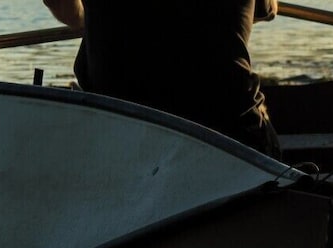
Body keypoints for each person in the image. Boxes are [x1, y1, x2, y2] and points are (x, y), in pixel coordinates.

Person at [43, 0, 281, 157]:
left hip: (119, 136)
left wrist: (89, 19)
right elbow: (267, 10)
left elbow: (61, 4)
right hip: (231, 135)